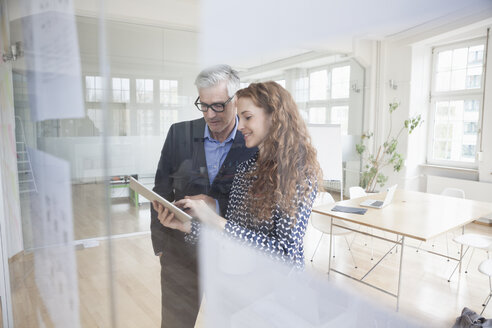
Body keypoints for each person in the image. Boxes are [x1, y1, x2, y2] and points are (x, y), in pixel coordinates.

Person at [154, 81, 321, 269]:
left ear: (275, 117)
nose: (240, 126)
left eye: (247, 117)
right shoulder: (246, 168)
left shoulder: (298, 174)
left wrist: (214, 219)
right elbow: (232, 235)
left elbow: (284, 253)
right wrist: (187, 226)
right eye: (239, 117)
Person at [150, 64, 257, 328]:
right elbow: (161, 189)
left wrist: (216, 205)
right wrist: (161, 246)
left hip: (232, 257)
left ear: (236, 100)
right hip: (180, 256)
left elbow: (258, 207)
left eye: (219, 105)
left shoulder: (254, 142)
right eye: (204, 105)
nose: (210, 114)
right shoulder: (179, 134)